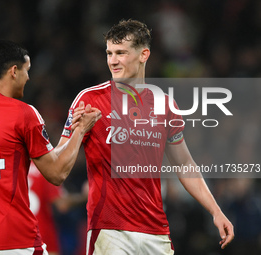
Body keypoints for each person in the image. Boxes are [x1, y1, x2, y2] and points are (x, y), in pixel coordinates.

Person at [57, 19, 234, 254]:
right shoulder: (88, 100)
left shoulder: (164, 103)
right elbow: (58, 159)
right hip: (109, 230)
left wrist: (216, 211)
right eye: (109, 53)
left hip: (155, 231)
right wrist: (78, 133)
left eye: (121, 53)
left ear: (144, 54)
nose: (112, 60)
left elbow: (184, 164)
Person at [0, 39, 101, 255]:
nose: (29, 77)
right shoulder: (22, 113)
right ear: (14, 71)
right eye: (27, 70)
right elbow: (56, 173)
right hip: (13, 242)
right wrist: (81, 132)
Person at [28, 162, 88, 255]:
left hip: (16, 237)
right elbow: (62, 205)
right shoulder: (43, 167)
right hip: (42, 236)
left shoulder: (11, 168)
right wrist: (85, 196)